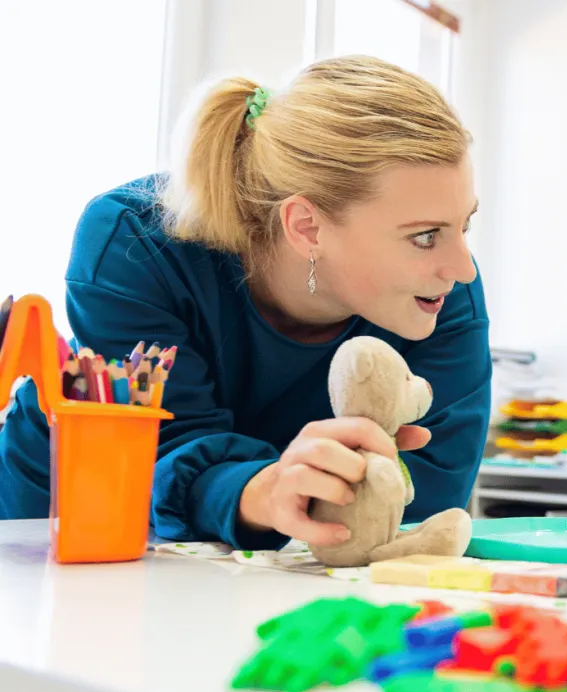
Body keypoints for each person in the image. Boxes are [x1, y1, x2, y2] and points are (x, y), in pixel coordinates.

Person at [0, 55, 492, 552]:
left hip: (277, 541)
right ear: (307, 227)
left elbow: (426, 500)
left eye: (464, 225)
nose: (465, 269)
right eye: (426, 236)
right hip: (72, 511)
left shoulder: (441, 292)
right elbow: (164, 449)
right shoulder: (133, 243)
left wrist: (322, 499)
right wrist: (271, 491)